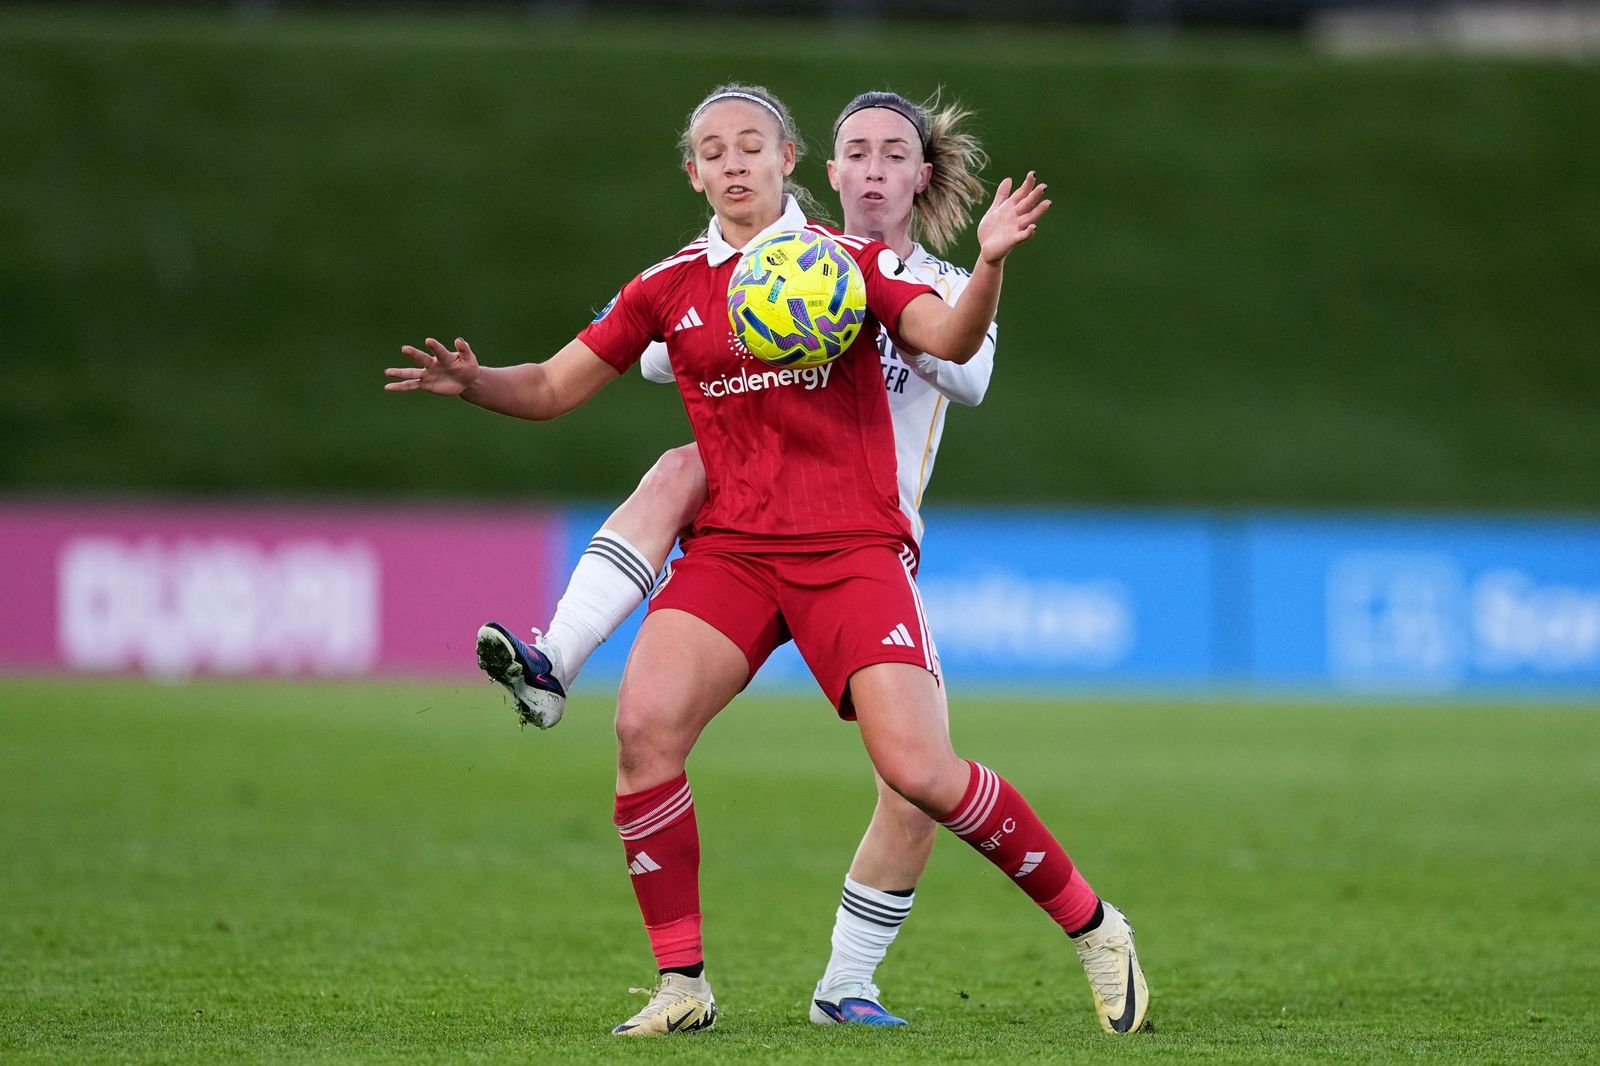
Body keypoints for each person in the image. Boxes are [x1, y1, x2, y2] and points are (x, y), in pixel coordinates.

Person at [384, 83, 1147, 1039]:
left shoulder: (850, 263)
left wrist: (989, 260)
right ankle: (682, 985)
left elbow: (951, 340)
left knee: (919, 775)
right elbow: (550, 385)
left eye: (752, 144)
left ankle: (1094, 925)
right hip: (738, 551)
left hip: (855, 548)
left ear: (789, 160)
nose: (734, 161)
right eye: (714, 149)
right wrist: (476, 384)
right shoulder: (672, 285)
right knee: (643, 732)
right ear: (694, 170)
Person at [477, 89, 998, 1029]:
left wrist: (853, 300)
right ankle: (558, 656)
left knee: (917, 787)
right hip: (751, 532)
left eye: (895, 155)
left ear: (922, 176)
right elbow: (651, 349)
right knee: (683, 465)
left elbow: (967, 370)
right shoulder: (760, 266)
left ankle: (845, 988)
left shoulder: (940, 284)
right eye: (857, 154)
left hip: (860, 545)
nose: (874, 169)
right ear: (825, 170)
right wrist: (734, 302)